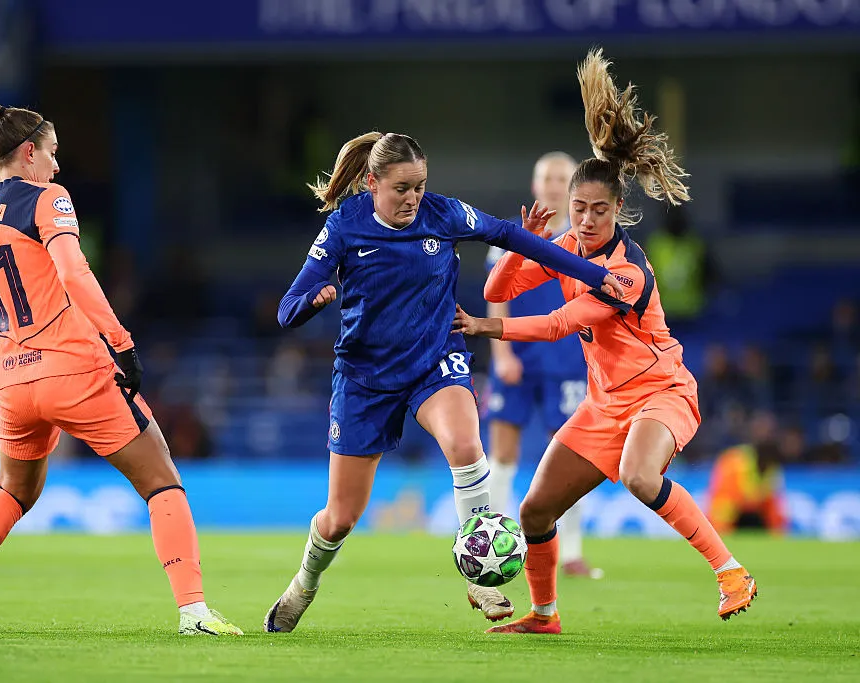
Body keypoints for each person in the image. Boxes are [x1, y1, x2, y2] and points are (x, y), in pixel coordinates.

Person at [0, 103, 241, 636]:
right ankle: (193, 612)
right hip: (73, 370)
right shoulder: (47, 200)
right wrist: (121, 343)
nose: (56, 165)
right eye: (51, 153)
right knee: (163, 483)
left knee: (13, 491)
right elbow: (74, 272)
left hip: (9, 381)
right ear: (28, 152)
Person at [264, 130, 627, 633]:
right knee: (340, 518)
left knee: (464, 443)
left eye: (419, 185)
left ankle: (478, 572)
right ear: (372, 183)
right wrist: (315, 300)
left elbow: (510, 236)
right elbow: (286, 310)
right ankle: (304, 584)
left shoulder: (443, 213)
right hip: (365, 379)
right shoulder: (344, 227)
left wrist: (587, 272)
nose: (413, 197)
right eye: (401, 188)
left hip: (434, 360)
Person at [452, 49, 757, 634]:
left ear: (620, 210)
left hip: (659, 392)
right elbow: (497, 284)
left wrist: (487, 326)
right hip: (604, 402)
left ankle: (730, 570)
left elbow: (562, 323)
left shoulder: (628, 273)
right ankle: (544, 616)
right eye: (579, 208)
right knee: (535, 511)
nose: (587, 219)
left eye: (598, 210)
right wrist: (524, 244)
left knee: (641, 477)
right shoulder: (566, 245)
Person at [485, 152, 601, 579]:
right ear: (535, 186)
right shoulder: (511, 234)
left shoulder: (585, 239)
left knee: (570, 457)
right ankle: (500, 548)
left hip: (566, 360)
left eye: (561, 177)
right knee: (502, 454)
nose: (553, 184)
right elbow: (497, 293)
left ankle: (570, 551)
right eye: (546, 177)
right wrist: (501, 354)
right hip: (515, 356)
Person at [707, 412, 788, 535]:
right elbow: (723, 504)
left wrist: (777, 534)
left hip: (753, 520)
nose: (766, 436)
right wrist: (721, 536)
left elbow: (772, 507)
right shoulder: (735, 462)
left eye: (770, 432)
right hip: (729, 520)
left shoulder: (773, 468)